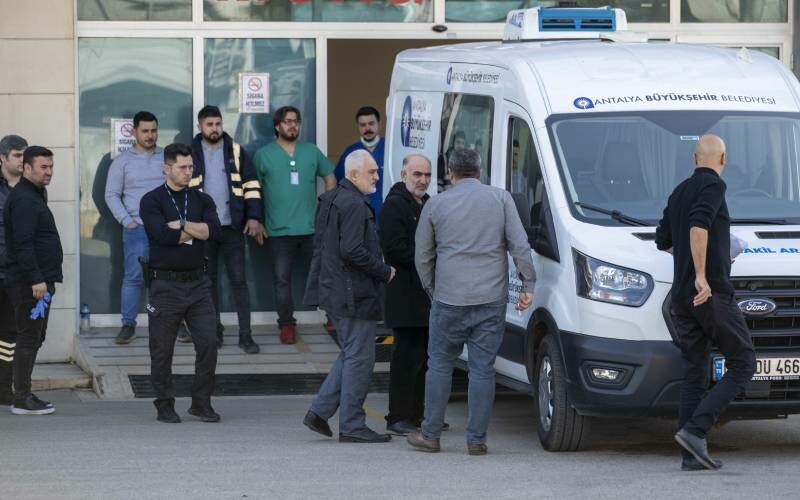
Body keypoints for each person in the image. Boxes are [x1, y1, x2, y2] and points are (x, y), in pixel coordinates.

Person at [408, 149, 536, 456]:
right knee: (482, 369)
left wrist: (432, 289)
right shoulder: (501, 199)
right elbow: (520, 246)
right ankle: (476, 439)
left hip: (448, 297)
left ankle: (430, 434)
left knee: (439, 365)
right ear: (479, 172)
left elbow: (422, 255)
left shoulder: (436, 204)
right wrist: (528, 283)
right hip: (490, 298)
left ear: (450, 173)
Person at [655, 134, 756, 471]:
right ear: (722, 159)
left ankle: (690, 456)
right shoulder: (714, 186)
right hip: (708, 293)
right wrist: (702, 273)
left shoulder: (679, 190)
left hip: (681, 298)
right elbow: (699, 226)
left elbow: (663, 240)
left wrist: (691, 261)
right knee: (744, 361)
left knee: (695, 371)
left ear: (694, 158)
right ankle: (697, 430)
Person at [302, 150, 395, 444]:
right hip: (353, 294)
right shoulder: (354, 204)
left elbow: (324, 247)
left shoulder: (331, 198)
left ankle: (319, 412)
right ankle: (353, 425)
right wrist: (384, 271)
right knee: (360, 360)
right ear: (353, 175)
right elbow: (352, 250)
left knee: (351, 354)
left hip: (335, 290)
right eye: (371, 172)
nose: (377, 178)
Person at [139, 143, 222, 424]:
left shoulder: (202, 200)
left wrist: (182, 224)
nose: (189, 172)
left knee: (209, 342)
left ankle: (201, 402)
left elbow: (213, 232)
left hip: (198, 284)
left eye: (191, 167)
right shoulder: (151, 201)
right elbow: (160, 235)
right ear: (167, 168)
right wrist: (194, 229)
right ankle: (164, 404)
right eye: (183, 167)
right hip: (165, 284)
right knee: (162, 349)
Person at [253, 106, 336, 344]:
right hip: (278, 230)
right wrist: (256, 219)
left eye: (296, 122)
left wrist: (326, 209)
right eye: (288, 122)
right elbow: (253, 191)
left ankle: (331, 316)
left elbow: (330, 177)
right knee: (282, 280)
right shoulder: (264, 155)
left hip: (312, 228)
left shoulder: (311, 151)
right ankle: (287, 325)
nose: (293, 126)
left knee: (325, 273)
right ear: (277, 126)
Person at [191, 105, 266, 353]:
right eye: (210, 124)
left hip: (233, 227)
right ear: (200, 126)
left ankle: (246, 335)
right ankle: (215, 333)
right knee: (208, 283)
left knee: (239, 283)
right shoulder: (190, 153)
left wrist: (253, 217)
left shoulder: (236, 150)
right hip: (204, 229)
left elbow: (252, 185)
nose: (215, 129)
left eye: (218, 124)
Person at [104, 111, 174, 345]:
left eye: (153, 130)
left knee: (169, 276)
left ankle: (174, 322)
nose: (150, 135)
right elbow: (111, 195)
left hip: (166, 228)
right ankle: (128, 324)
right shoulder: (122, 161)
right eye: (145, 131)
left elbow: (178, 187)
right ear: (134, 132)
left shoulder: (166, 158)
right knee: (133, 278)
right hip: (137, 228)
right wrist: (127, 220)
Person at [3, 146, 62, 415]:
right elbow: (23, 244)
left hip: (38, 282)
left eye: (50, 167)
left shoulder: (33, 194)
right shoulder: (25, 199)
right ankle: (21, 398)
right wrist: (37, 279)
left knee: (35, 337)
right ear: (27, 168)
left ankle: (23, 394)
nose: (49, 172)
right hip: (30, 284)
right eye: (43, 167)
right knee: (28, 337)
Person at [380, 154, 433, 436]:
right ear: (403, 175)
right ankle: (398, 416)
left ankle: (419, 414)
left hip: (425, 296)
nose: (423, 180)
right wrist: (429, 257)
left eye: (427, 175)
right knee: (405, 359)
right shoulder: (393, 206)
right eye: (417, 175)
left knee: (424, 358)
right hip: (404, 296)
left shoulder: (428, 203)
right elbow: (394, 249)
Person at [0, 134, 28, 405]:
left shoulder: (31, 188)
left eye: (24, 155)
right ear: (3, 158)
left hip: (15, 273)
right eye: (18, 156)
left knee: (9, 333)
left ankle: (4, 388)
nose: (22, 160)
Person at [334, 106, 386, 216]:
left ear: (379, 124)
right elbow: (339, 185)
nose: (367, 128)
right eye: (363, 125)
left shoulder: (390, 149)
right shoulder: (350, 152)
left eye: (371, 124)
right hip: (358, 215)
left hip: (386, 215)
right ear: (358, 127)